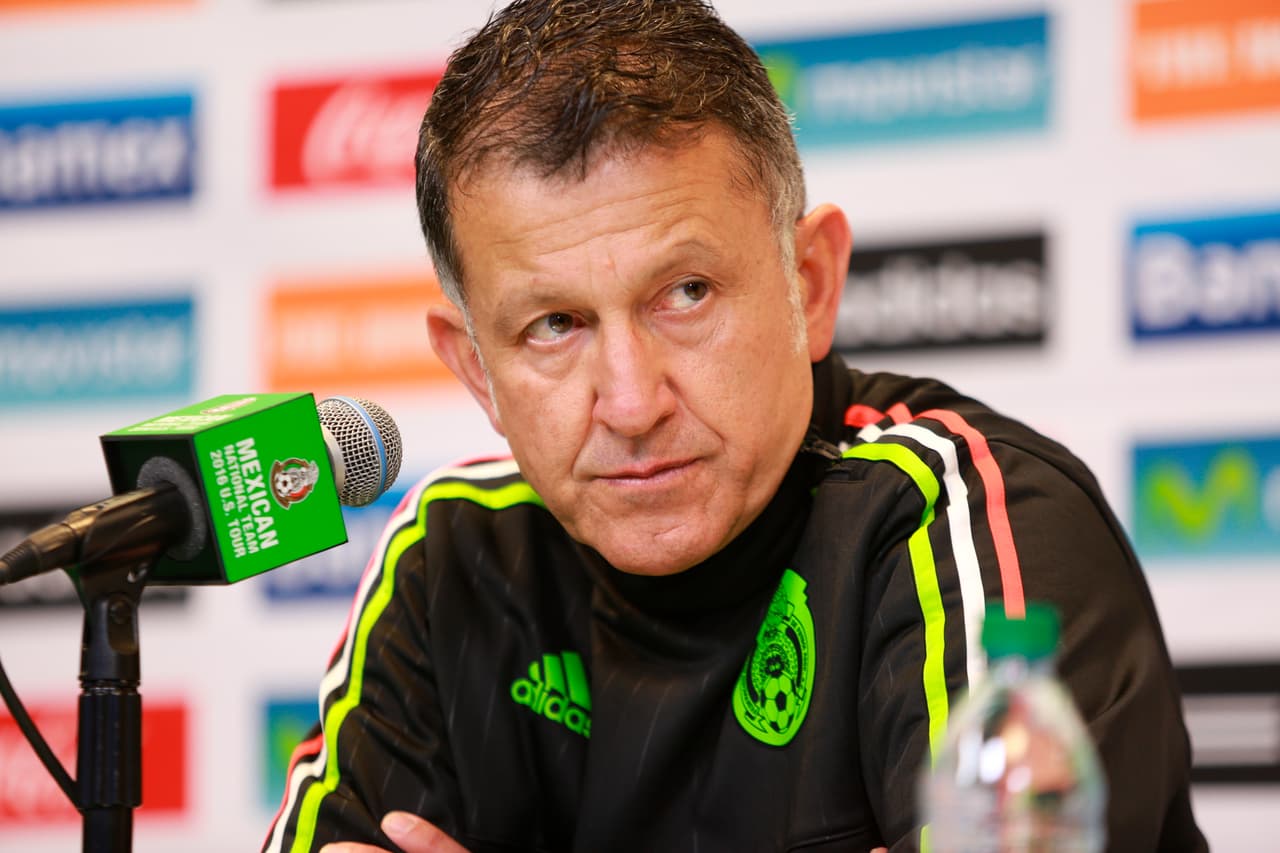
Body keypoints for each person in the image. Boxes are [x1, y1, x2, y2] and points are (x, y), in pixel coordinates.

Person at [264, 1, 1207, 851]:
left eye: (685, 293)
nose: (631, 403)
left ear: (811, 285)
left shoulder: (969, 514)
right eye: (554, 325)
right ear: (477, 369)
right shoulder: (454, 555)